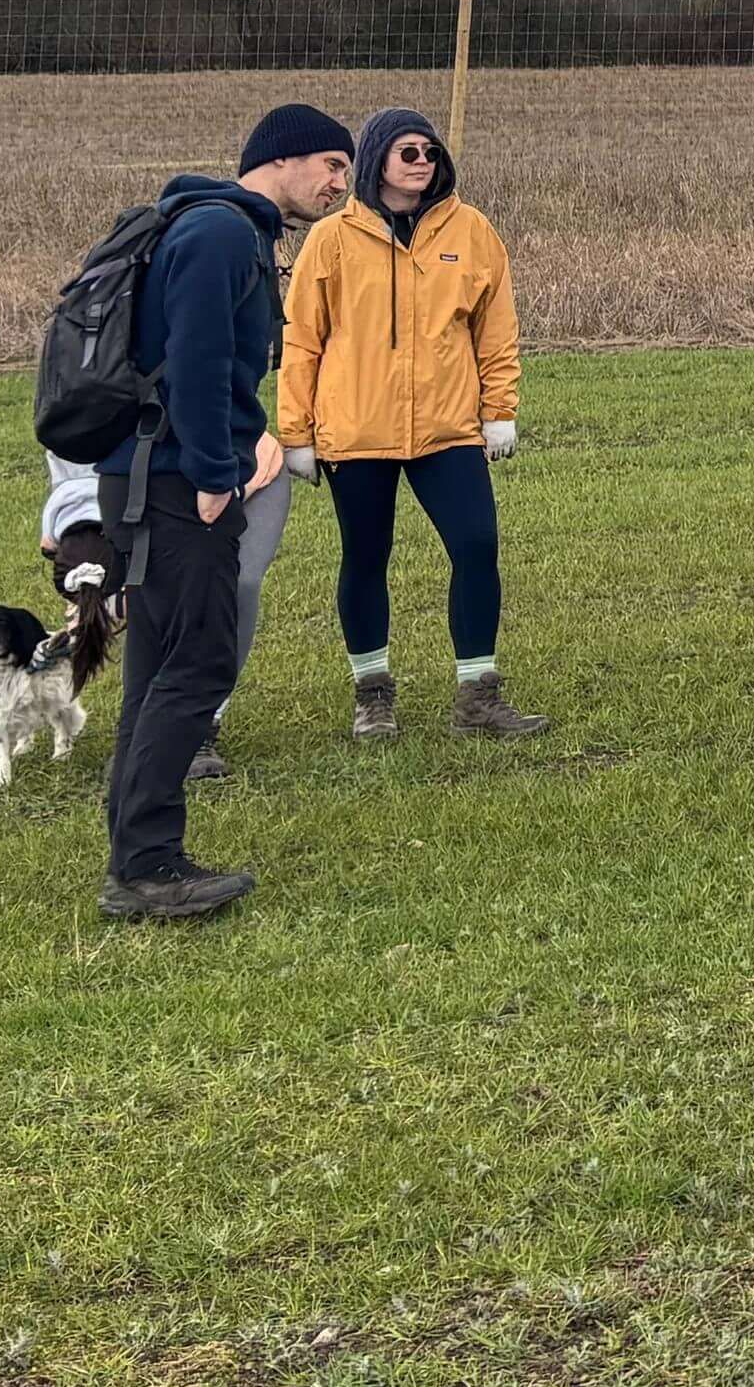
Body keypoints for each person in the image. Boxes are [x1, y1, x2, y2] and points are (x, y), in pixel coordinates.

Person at [98, 102, 354, 921]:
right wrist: (216, 474)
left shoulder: (221, 229)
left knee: (157, 665)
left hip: (152, 472)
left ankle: (139, 854)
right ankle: (147, 868)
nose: (341, 182)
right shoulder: (219, 236)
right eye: (331, 164)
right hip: (180, 478)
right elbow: (200, 363)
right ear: (278, 160)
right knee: (201, 662)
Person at [270, 107, 541, 742]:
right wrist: (296, 434)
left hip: (448, 430)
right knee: (366, 557)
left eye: (429, 152)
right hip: (356, 432)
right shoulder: (331, 240)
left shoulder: (472, 231)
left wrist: (499, 411)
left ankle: (478, 694)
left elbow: (496, 332)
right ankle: (373, 695)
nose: (421, 162)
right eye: (406, 151)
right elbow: (301, 340)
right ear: (376, 160)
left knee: (476, 546)